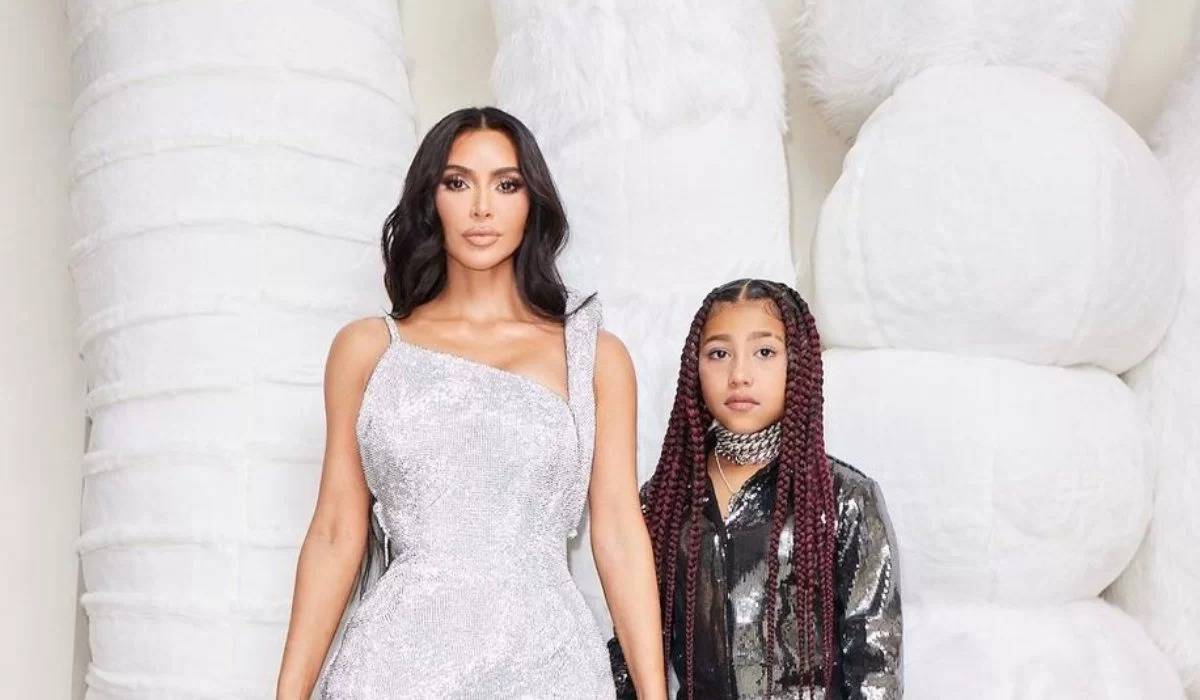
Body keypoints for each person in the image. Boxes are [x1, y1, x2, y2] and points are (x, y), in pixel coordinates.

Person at [275, 107, 665, 699]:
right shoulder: (368, 350)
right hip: (396, 670)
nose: (482, 207)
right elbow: (335, 532)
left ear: (533, 202)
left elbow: (617, 532)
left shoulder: (594, 357)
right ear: (429, 200)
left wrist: (654, 693)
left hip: (547, 667)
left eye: (506, 185)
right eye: (457, 183)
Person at [611, 278, 902, 699]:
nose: (739, 375)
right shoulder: (663, 503)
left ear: (798, 364)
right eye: (719, 353)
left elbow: (876, 666)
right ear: (694, 368)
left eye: (764, 352)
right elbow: (630, 653)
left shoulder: (845, 499)